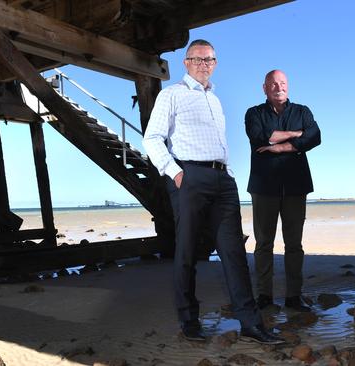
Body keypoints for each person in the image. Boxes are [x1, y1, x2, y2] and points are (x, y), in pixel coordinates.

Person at [142, 40, 284, 345]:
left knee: (233, 252)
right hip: (189, 176)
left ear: (215, 64)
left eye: (210, 60)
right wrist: (176, 172)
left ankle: (250, 323)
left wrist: (229, 173)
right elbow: (152, 138)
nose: (205, 65)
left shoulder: (215, 101)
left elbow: (219, 143)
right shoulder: (172, 95)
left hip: (222, 180)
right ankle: (189, 321)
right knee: (188, 251)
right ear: (186, 62)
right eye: (199, 59)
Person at [244, 70, 321, 312]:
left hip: (296, 186)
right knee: (264, 243)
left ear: (288, 86)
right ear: (264, 88)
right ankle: (265, 297)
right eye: (274, 84)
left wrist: (281, 146)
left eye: (283, 83)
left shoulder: (302, 111)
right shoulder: (254, 113)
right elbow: (260, 137)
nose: (279, 87)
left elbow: (315, 136)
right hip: (264, 186)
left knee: (294, 244)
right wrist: (298, 136)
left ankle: (293, 297)